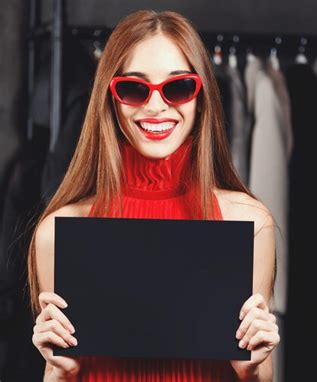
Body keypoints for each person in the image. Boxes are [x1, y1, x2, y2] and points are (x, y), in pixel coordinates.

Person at [27, 9, 279, 382]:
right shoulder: (59, 232)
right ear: (110, 99)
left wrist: (252, 370)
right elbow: (62, 372)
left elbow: (259, 374)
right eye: (134, 88)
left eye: (178, 87)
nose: (156, 105)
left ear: (201, 97)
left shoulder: (249, 223)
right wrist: (56, 371)